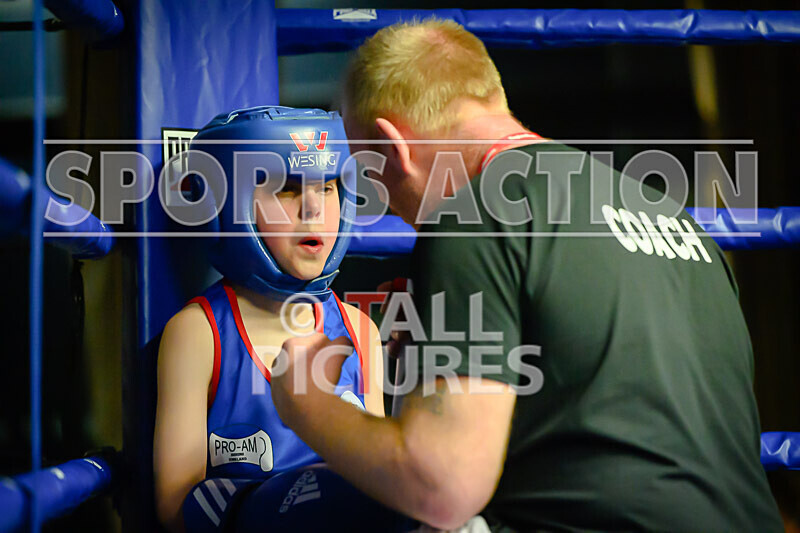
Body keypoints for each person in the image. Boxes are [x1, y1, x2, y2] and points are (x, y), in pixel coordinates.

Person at [269, 19, 784, 532]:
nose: (395, 213)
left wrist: (307, 403)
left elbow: (439, 486)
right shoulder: (677, 221)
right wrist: (442, 350)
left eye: (372, 177)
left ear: (392, 147)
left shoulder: (474, 215)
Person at [152, 107, 395, 533]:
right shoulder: (199, 333)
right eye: (286, 189)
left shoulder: (360, 331)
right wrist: (277, 507)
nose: (313, 209)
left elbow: (378, 478)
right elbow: (175, 506)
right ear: (228, 206)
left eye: (327, 187)